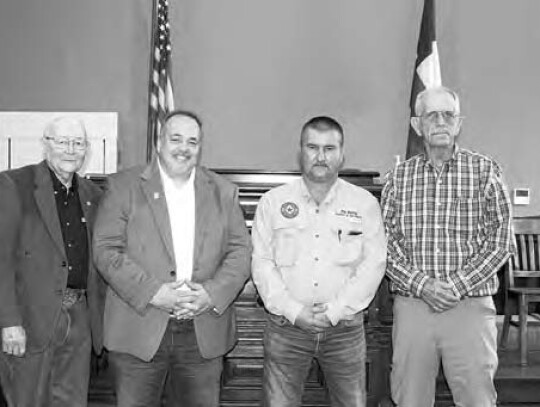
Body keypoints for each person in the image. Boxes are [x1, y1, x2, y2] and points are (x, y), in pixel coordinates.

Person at [93, 110, 251, 407]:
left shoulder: (223, 192)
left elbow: (240, 251)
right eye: (176, 138)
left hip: (202, 330)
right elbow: (106, 249)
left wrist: (211, 294)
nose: (184, 148)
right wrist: (153, 293)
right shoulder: (123, 186)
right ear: (159, 141)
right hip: (138, 329)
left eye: (193, 141)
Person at [381, 86, 514, 407]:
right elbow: (383, 244)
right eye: (432, 115)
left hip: (470, 306)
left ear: (459, 123)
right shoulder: (398, 178)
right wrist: (423, 285)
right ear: (417, 125)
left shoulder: (485, 172)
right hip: (413, 307)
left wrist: (454, 285)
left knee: (477, 399)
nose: (440, 122)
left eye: (448, 115)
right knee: (410, 398)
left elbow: (501, 240)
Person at [251, 116, 387, 407]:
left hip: (345, 331)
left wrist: (336, 310)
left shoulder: (364, 204)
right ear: (300, 151)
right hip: (286, 328)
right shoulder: (273, 202)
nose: (321, 156)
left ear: (342, 153)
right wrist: (293, 310)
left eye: (329, 148)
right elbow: (261, 263)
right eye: (313, 147)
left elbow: (374, 264)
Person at [0, 117, 106, 407]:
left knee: (72, 401)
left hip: (80, 316)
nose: (71, 150)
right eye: (62, 142)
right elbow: (2, 258)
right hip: (30, 319)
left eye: (78, 143)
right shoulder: (14, 184)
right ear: (46, 144)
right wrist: (9, 322)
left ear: (86, 150)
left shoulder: (93, 195)